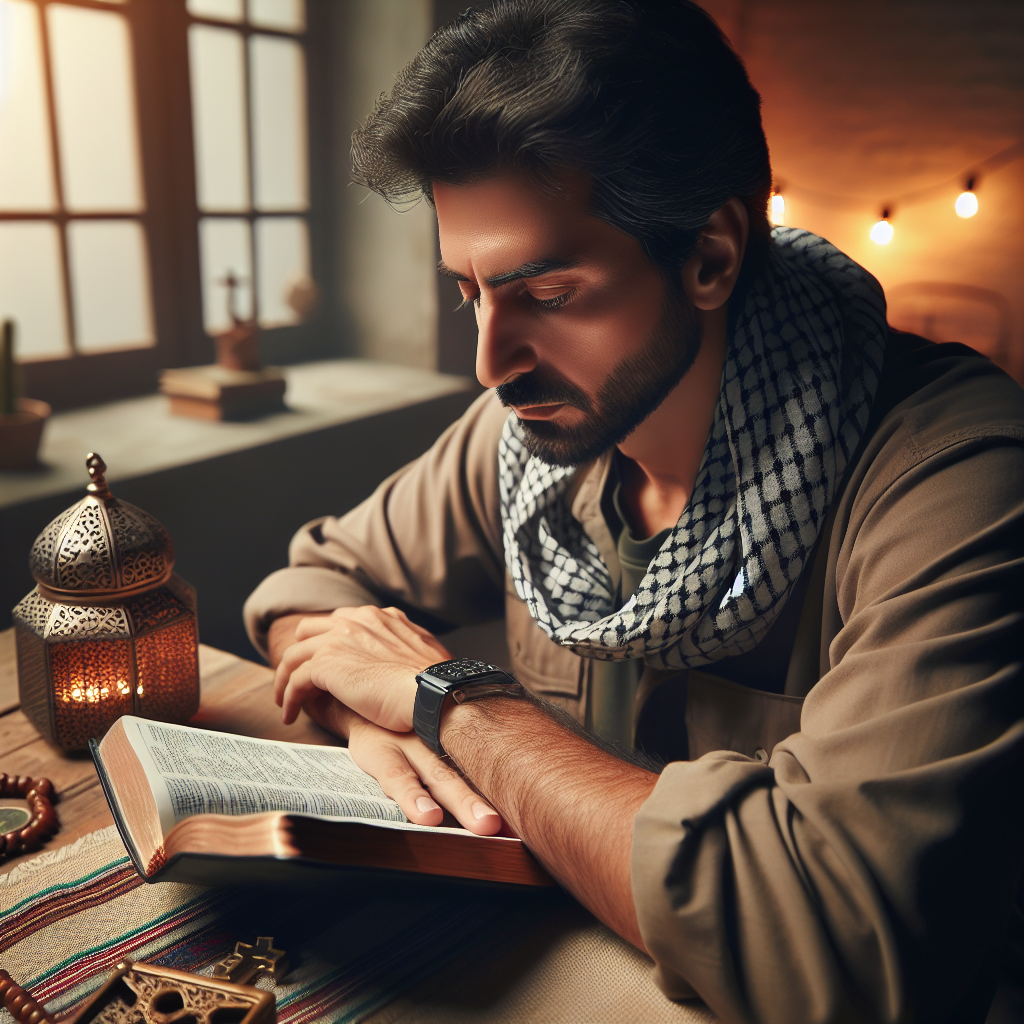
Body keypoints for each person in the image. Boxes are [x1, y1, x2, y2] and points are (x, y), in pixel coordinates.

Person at [243, 2, 1024, 1021]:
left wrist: (449, 701)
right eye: (470, 292)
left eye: (548, 293)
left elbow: (832, 944)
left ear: (709, 255)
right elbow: (309, 584)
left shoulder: (954, 478)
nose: (490, 361)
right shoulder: (522, 439)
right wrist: (364, 709)